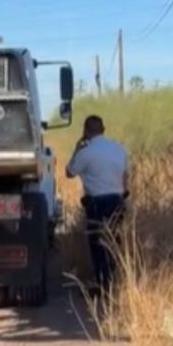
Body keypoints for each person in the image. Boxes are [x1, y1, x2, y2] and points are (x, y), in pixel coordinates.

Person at [66, 115, 129, 294]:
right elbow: (126, 177)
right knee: (114, 241)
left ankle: (103, 284)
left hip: (97, 203)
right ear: (104, 129)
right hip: (117, 200)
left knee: (98, 243)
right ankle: (115, 281)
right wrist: (123, 197)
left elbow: (69, 172)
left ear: (86, 132)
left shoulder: (85, 152)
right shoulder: (119, 149)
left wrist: (77, 149)